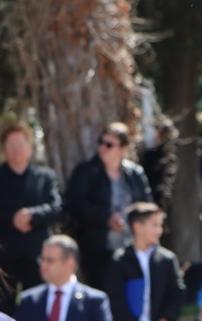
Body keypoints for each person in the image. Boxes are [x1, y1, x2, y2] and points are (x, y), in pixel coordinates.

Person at [0, 122, 63, 300]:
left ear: (30, 147)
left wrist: (32, 215)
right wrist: (12, 219)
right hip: (4, 255)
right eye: (11, 145)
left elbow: (56, 208)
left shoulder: (46, 177)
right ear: (4, 149)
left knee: (37, 304)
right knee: (3, 304)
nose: (17, 150)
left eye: (21, 144)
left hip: (37, 253)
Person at [66, 123, 153, 290]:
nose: (102, 148)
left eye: (109, 144)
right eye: (101, 142)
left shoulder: (135, 174)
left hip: (132, 245)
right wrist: (106, 217)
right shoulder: (87, 171)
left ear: (123, 149)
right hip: (99, 247)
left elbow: (147, 204)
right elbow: (75, 203)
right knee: (105, 291)